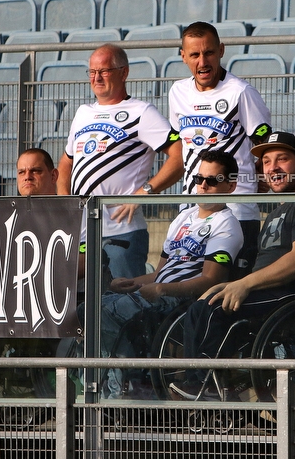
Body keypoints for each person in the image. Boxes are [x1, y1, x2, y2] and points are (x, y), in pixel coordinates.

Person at [169, 132, 295, 401]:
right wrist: (229, 285)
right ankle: (216, 383)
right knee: (202, 304)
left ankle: (205, 386)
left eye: (282, 159)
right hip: (272, 292)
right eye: (266, 162)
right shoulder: (277, 210)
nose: (272, 167)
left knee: (215, 308)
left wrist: (244, 284)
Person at [97, 149, 242, 399]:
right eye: (199, 179)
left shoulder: (227, 224)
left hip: (179, 300)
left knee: (104, 314)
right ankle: (116, 384)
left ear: (230, 186)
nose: (203, 186)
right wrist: (128, 283)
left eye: (212, 181)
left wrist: (162, 290)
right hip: (157, 293)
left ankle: (123, 389)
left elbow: (211, 280)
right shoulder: (184, 216)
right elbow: (160, 272)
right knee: (87, 310)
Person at [57, 43, 184, 281]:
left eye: (104, 71)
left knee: (123, 304)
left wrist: (145, 191)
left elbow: (179, 156)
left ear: (124, 72)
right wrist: (67, 203)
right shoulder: (83, 112)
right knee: (80, 305)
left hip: (122, 234)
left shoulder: (142, 112)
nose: (96, 77)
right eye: (92, 72)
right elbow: (66, 163)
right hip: (83, 233)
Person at [168, 21, 272, 279]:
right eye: (194, 54)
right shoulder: (177, 92)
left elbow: (264, 143)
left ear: (221, 50)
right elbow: (180, 144)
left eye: (209, 52)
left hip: (236, 210)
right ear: (183, 57)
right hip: (191, 210)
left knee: (231, 290)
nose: (203, 62)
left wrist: (258, 178)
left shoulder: (241, 92)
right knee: (187, 285)